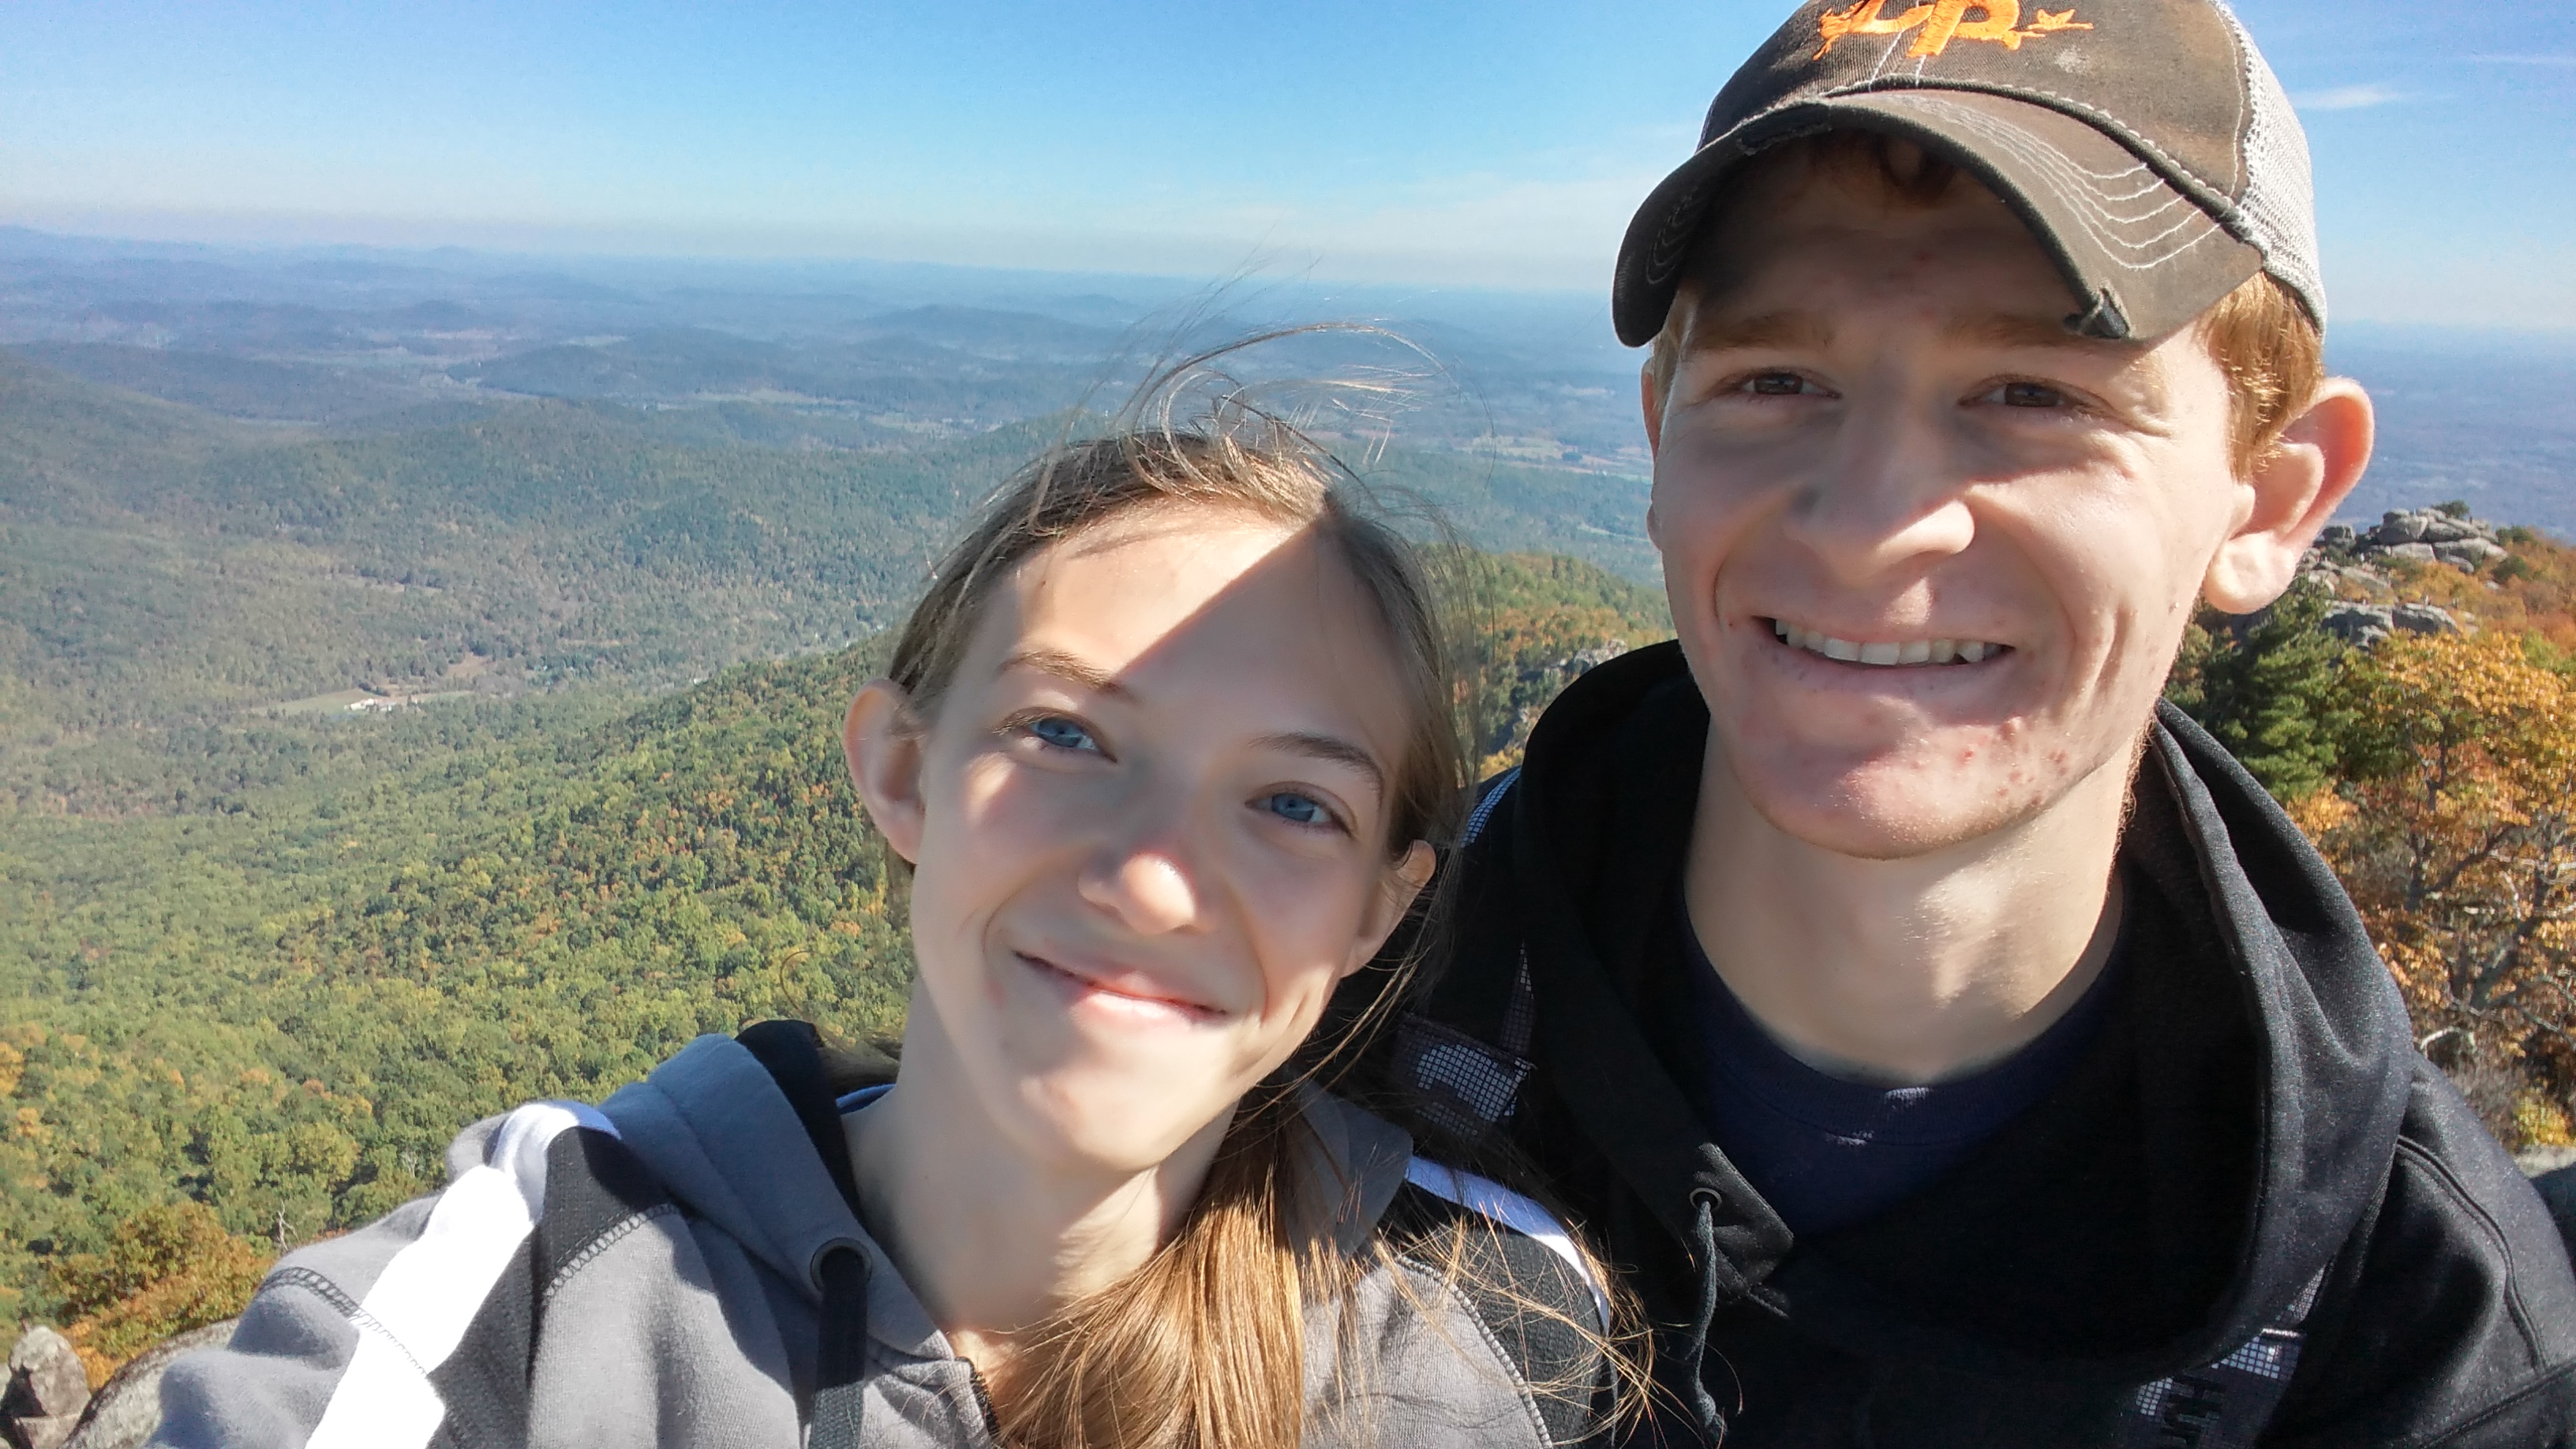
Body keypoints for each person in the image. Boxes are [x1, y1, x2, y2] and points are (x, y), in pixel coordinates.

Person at [1376, 3, 2576, 1445]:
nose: (1875, 525)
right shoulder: (1321, 1014)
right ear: (1660, 435)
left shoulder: (2415, 1332)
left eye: (2031, 394)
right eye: (1775, 382)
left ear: (2271, 500)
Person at [152, 366, 1636, 1449]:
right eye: (1067, 735)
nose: (1153, 876)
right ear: (902, 772)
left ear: (1380, 911)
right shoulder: (544, 1279)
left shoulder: (1478, 1326)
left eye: (1294, 803)